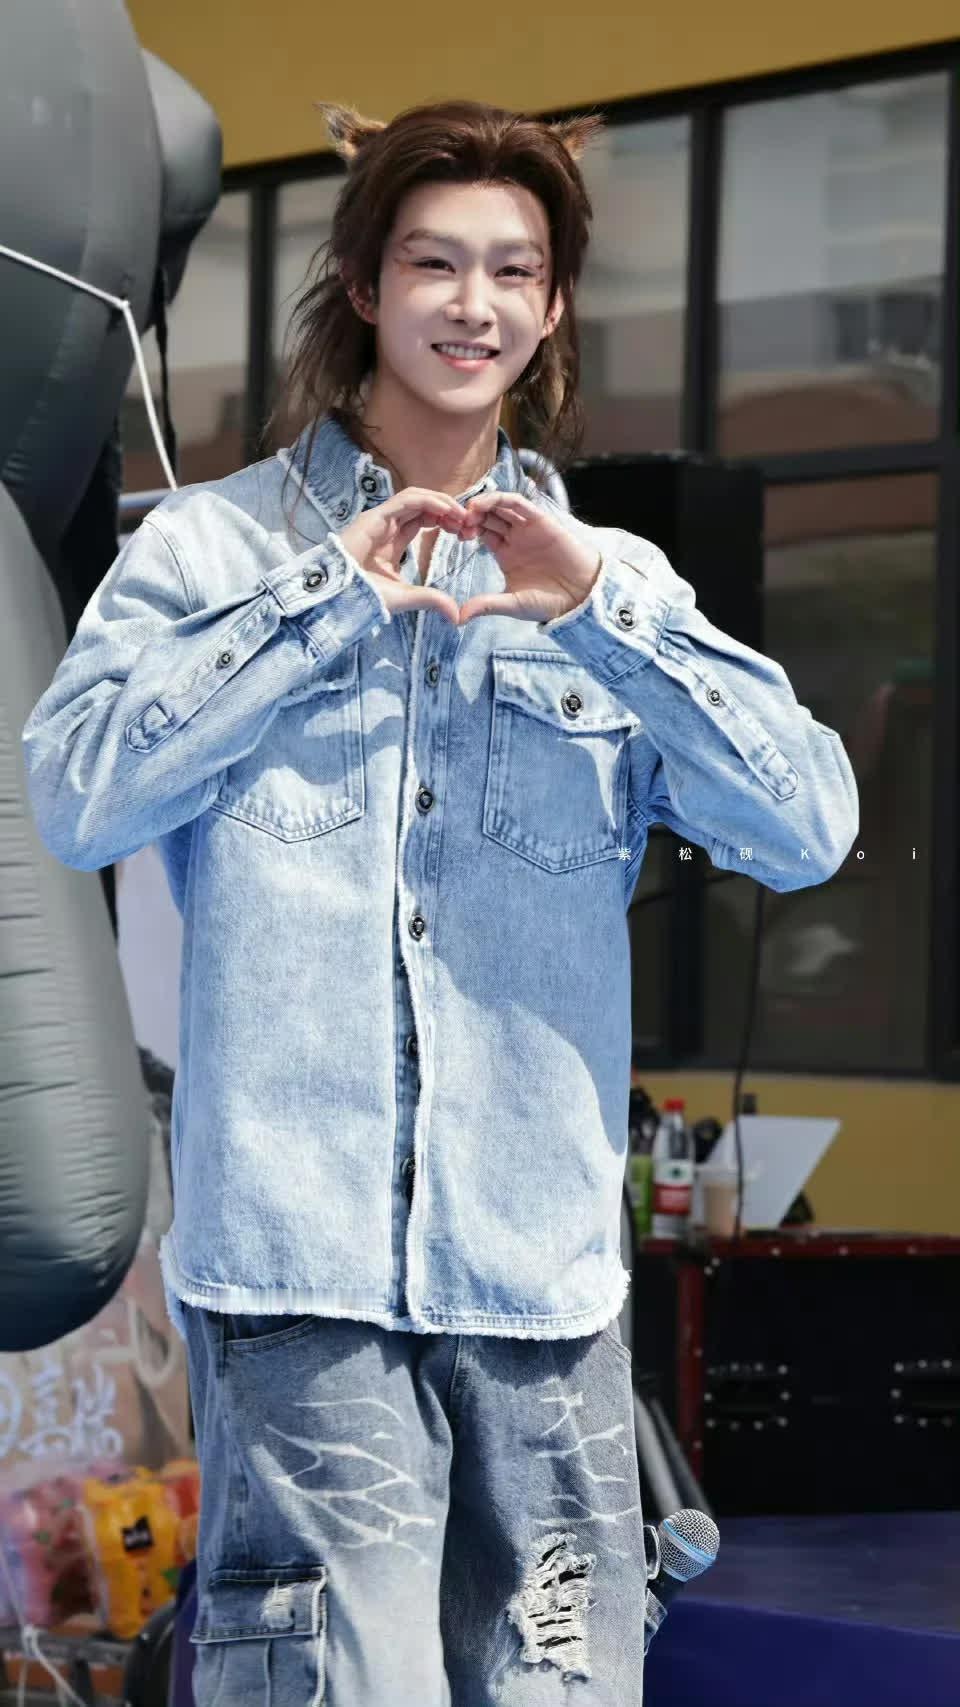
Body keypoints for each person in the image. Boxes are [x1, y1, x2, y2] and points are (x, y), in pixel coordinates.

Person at [21, 97, 858, 1705]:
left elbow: (809, 823)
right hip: (300, 1298)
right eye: (434, 263)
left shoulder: (612, 580)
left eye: (512, 271)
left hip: (545, 1302)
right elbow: (77, 796)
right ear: (363, 285)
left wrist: (602, 612)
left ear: (551, 307)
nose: (473, 305)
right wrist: (325, 599)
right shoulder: (207, 552)